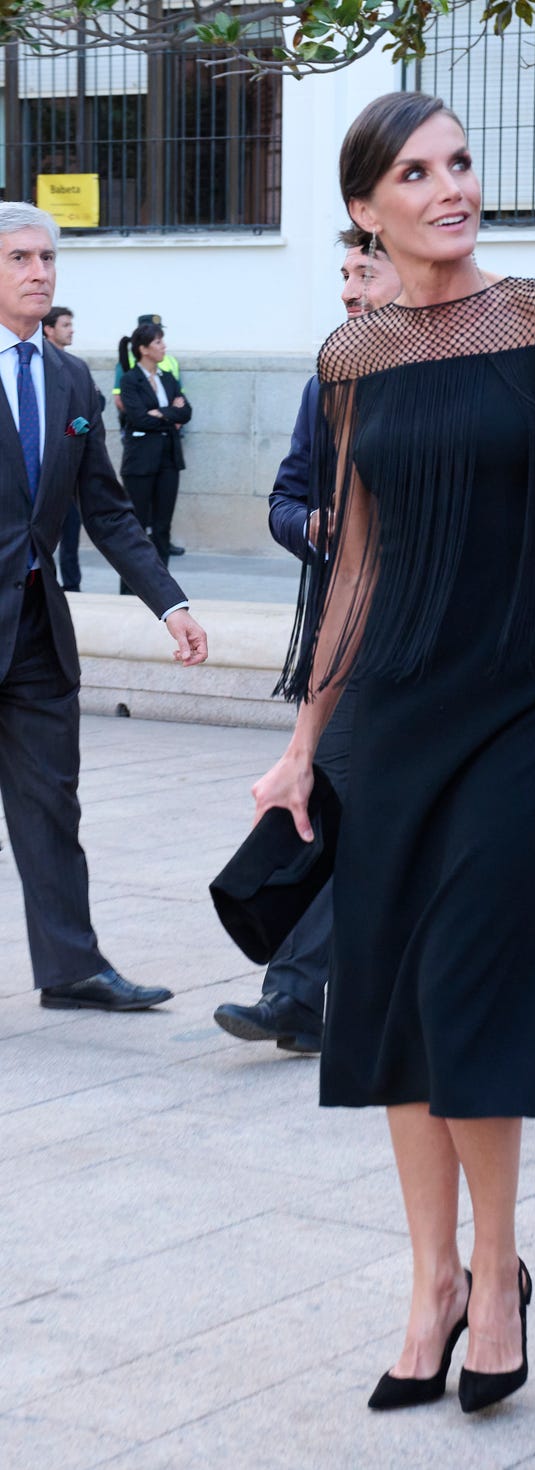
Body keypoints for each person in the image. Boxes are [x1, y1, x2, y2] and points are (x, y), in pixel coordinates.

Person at [251, 92, 535, 1414]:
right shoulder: (353, 356)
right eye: (416, 170)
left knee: (468, 1000)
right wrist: (303, 744)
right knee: (390, 1007)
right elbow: (357, 565)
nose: (450, 185)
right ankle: (429, 1282)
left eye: (460, 160)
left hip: (519, 714)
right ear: (366, 207)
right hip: (391, 719)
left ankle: (498, 1277)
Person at [0, 202, 208, 1010]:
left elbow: (107, 509)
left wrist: (169, 603)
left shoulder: (70, 379)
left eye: (47, 258)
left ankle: (72, 968)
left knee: (52, 803)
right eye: (20, 258)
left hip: (38, 635)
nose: (40, 272)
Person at [213, 228, 401, 1053]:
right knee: (328, 799)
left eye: (367, 270)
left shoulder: (461, 378)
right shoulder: (330, 378)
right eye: (345, 272)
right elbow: (286, 497)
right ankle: (293, 991)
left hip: (445, 639)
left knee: (395, 818)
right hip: (354, 635)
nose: (350, 288)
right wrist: (319, 529)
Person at [117, 322, 191, 591]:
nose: (164, 347)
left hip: (168, 460)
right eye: (158, 343)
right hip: (140, 463)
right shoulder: (130, 380)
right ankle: (130, 588)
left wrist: (160, 413)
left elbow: (186, 412)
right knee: (135, 528)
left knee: (162, 527)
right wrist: (169, 412)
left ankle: (162, 589)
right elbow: (137, 418)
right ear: (144, 349)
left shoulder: (168, 377)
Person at [41, 304, 105, 593]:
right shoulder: (36, 367)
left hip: (70, 470)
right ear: (49, 329)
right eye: (65, 325)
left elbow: (97, 403)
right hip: (42, 472)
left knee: (70, 533)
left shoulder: (76, 368)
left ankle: (71, 586)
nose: (71, 330)